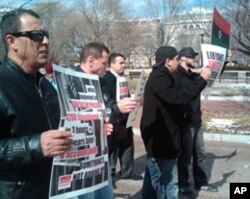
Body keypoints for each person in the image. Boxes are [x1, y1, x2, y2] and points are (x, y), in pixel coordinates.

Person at [0, 8, 73, 199]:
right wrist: (36, 146)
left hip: (55, 190)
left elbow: (62, 128)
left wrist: (95, 130)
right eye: (37, 35)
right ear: (12, 41)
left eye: (46, 34)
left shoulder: (45, 85)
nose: (46, 41)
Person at [140, 46, 211, 199]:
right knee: (170, 183)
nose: (179, 63)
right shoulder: (160, 78)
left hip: (164, 138)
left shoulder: (164, 76)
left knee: (152, 181)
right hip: (162, 140)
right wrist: (202, 80)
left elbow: (175, 102)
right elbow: (177, 98)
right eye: (177, 60)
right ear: (168, 62)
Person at [75, 42, 137, 199]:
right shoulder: (71, 82)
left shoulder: (100, 82)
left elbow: (106, 110)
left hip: (101, 157)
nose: (107, 67)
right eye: (104, 63)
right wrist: (116, 110)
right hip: (81, 163)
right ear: (91, 61)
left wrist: (119, 111)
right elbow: (74, 121)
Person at [176, 47, 218, 198]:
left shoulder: (191, 75)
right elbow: (189, 90)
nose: (195, 59)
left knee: (200, 154)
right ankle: (183, 185)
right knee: (185, 157)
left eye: (195, 56)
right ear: (181, 58)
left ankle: (201, 182)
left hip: (196, 120)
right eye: (191, 57)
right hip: (185, 123)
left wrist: (217, 65)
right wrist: (201, 78)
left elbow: (199, 81)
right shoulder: (177, 76)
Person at [103, 53, 143, 189]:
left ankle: (127, 172)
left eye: (124, 62)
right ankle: (111, 176)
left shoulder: (122, 79)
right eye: (121, 62)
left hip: (126, 120)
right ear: (111, 64)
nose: (124, 65)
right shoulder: (106, 80)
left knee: (127, 146)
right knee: (113, 150)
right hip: (114, 120)